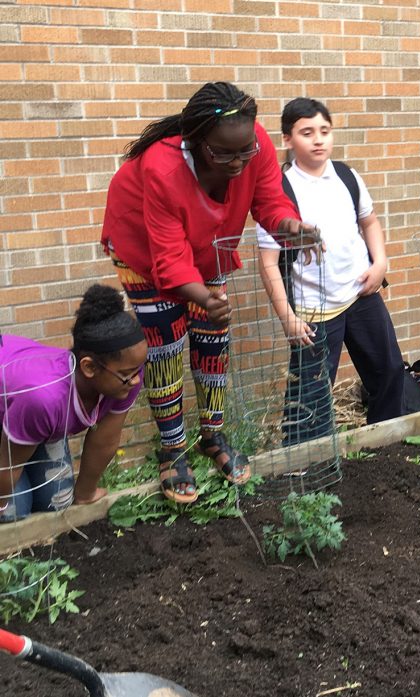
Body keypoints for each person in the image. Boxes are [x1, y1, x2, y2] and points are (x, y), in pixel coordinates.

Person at [101, 81, 318, 504]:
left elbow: (270, 201)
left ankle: (212, 436)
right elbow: (167, 258)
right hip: (143, 250)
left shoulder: (251, 145)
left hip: (208, 246)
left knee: (213, 339)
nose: (237, 162)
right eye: (224, 153)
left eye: (245, 151)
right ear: (199, 142)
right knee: (165, 343)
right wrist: (203, 298)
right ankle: (172, 448)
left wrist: (291, 227)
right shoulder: (162, 168)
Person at [256, 97, 404, 443]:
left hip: (360, 294)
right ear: (287, 140)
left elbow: (369, 221)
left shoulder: (347, 176)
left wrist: (379, 262)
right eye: (307, 132)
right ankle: (304, 463)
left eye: (324, 130)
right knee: (311, 394)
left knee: (388, 372)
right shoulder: (278, 192)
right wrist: (287, 317)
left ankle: (387, 441)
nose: (318, 139)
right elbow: (267, 263)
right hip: (313, 311)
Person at [1, 285, 147, 522]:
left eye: (137, 370)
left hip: (27, 419)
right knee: (14, 511)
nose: (137, 380)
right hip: (16, 411)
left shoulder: (124, 379)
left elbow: (106, 440)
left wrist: (85, 494)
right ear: (89, 367)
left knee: (56, 502)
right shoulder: (46, 398)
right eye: (129, 373)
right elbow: (6, 465)